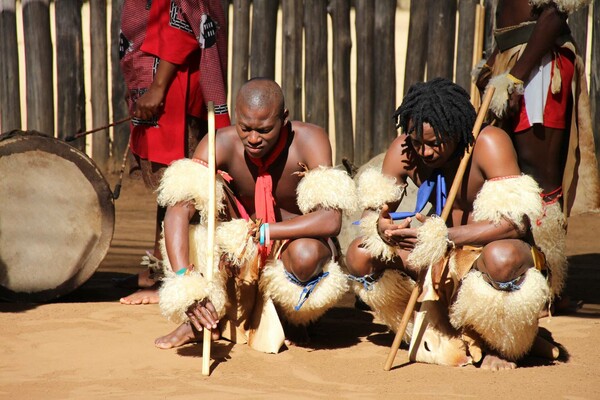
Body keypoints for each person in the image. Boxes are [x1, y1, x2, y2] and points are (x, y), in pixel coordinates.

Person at [345, 78, 553, 370]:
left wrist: (445, 236)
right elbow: (372, 217)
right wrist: (383, 229)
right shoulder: (406, 151)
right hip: (439, 261)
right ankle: (434, 330)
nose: (425, 152)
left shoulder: (488, 143)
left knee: (501, 258)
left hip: (486, 256)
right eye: (418, 142)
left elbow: (516, 224)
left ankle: (501, 343)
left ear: (456, 129)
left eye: (434, 142)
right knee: (360, 253)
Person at [153, 78, 356, 351]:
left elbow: (330, 220)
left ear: (284, 119)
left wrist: (264, 233)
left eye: (264, 130)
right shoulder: (220, 143)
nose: (253, 138)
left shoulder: (310, 140)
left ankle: (293, 314)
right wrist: (185, 285)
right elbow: (177, 212)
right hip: (237, 253)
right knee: (198, 235)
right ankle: (201, 318)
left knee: (306, 255)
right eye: (245, 128)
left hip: (290, 243)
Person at [473, 0, 600, 311]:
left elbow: (555, 13)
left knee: (539, 180)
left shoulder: (528, 65)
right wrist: (496, 64)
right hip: (517, 61)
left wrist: (516, 76)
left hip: (538, 66)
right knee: (513, 174)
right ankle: (524, 276)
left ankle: (547, 287)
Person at [117, 0, 230, 305]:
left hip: (172, 89)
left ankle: (177, 276)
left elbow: (180, 27)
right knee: (169, 188)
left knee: (182, 184)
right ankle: (156, 268)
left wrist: (158, 87)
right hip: (162, 85)